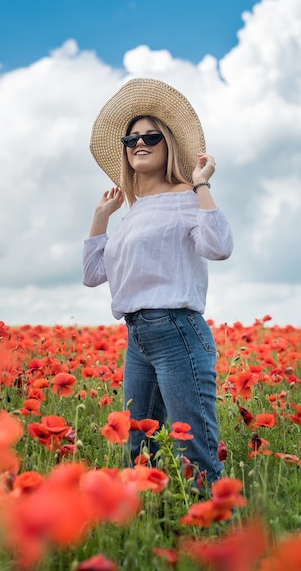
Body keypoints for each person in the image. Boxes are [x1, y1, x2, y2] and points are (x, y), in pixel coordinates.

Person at [83, 78, 233, 486]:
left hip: (177, 332)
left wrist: (202, 184)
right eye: (131, 138)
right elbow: (93, 275)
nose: (139, 143)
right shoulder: (133, 212)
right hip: (137, 337)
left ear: (168, 144)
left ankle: (211, 539)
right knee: (139, 447)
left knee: (195, 449)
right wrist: (102, 218)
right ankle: (159, 533)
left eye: (150, 136)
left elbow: (218, 247)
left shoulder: (187, 196)